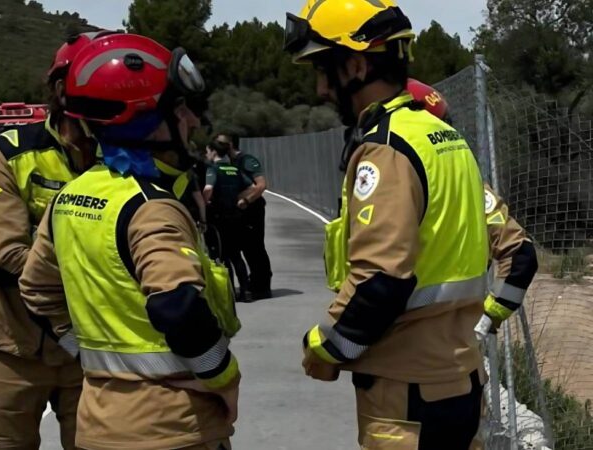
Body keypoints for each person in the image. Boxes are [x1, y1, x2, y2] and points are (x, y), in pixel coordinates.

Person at [19, 33, 239, 450]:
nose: (191, 121)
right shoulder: (151, 207)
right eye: (179, 109)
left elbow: (35, 289)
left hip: (98, 424)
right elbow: (178, 306)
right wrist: (224, 378)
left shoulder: (70, 196)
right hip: (172, 428)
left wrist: (87, 356)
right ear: (146, 120)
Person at [285, 1, 489, 449]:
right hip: (461, 378)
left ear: (356, 64)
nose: (320, 88)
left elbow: (380, 281)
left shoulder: (386, 148)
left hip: (409, 392)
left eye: (323, 70)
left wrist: (324, 348)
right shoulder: (442, 135)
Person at [0, 30, 116, 450]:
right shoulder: (8, 152)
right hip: (13, 349)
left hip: (96, 350)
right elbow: (4, 253)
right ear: (63, 90)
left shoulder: (124, 156)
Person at [405, 78, 539, 338]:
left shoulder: (392, 187)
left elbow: (521, 256)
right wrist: (487, 320)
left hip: (407, 349)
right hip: (460, 346)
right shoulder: (472, 186)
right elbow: (521, 253)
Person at [216, 134, 273, 299]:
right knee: (241, 247)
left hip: (251, 208)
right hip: (238, 212)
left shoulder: (246, 160)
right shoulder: (227, 163)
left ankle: (262, 285)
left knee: (254, 247)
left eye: (221, 143)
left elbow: (261, 185)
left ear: (230, 144)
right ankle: (250, 284)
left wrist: (245, 199)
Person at [204, 139, 254, 302]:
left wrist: (205, 202)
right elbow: (252, 187)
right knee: (236, 255)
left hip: (219, 218)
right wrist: (241, 199)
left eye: (207, 151)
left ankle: (231, 292)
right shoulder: (234, 169)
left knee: (223, 256)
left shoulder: (213, 169)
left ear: (213, 152)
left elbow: (208, 188)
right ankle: (246, 291)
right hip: (236, 216)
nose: (206, 155)